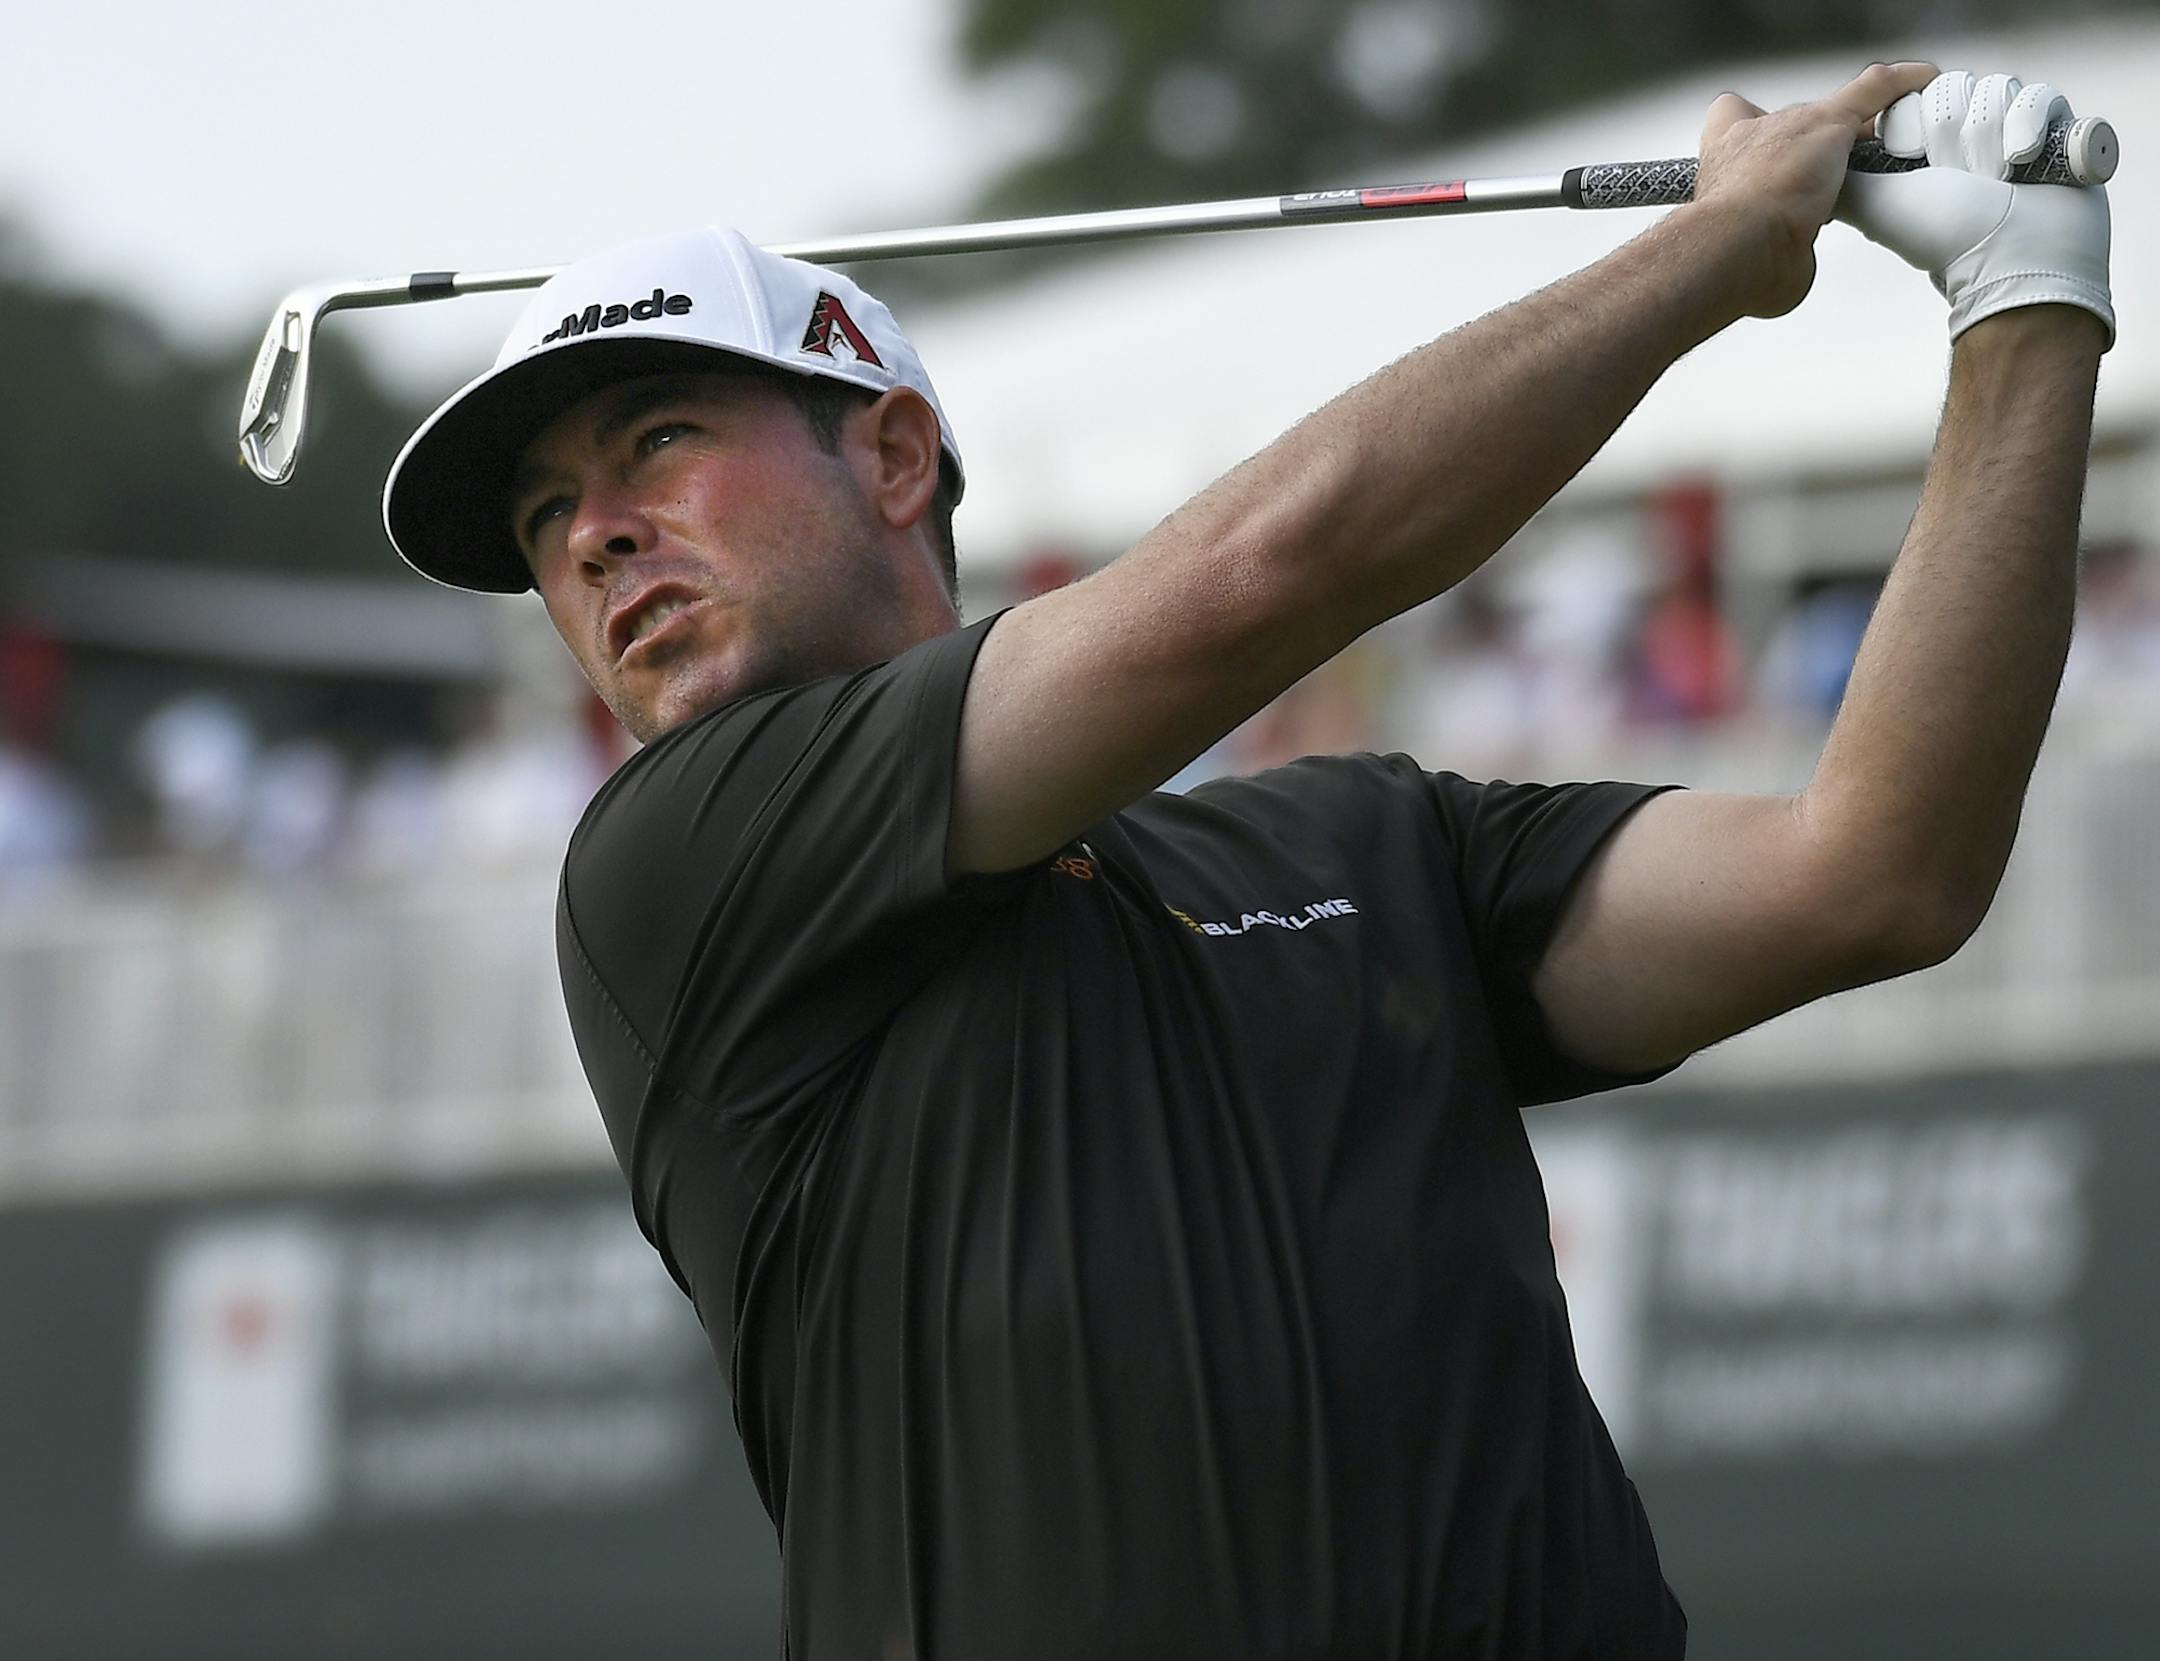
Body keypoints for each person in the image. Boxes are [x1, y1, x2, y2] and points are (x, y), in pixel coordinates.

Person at [380, 62, 2112, 1660]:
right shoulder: (676, 868)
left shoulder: (1367, 839)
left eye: (659, 445)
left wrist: (2023, 309)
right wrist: (1720, 250)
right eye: (547, 517)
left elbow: (1873, 867)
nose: (595, 535)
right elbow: (1267, 571)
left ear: (894, 454)